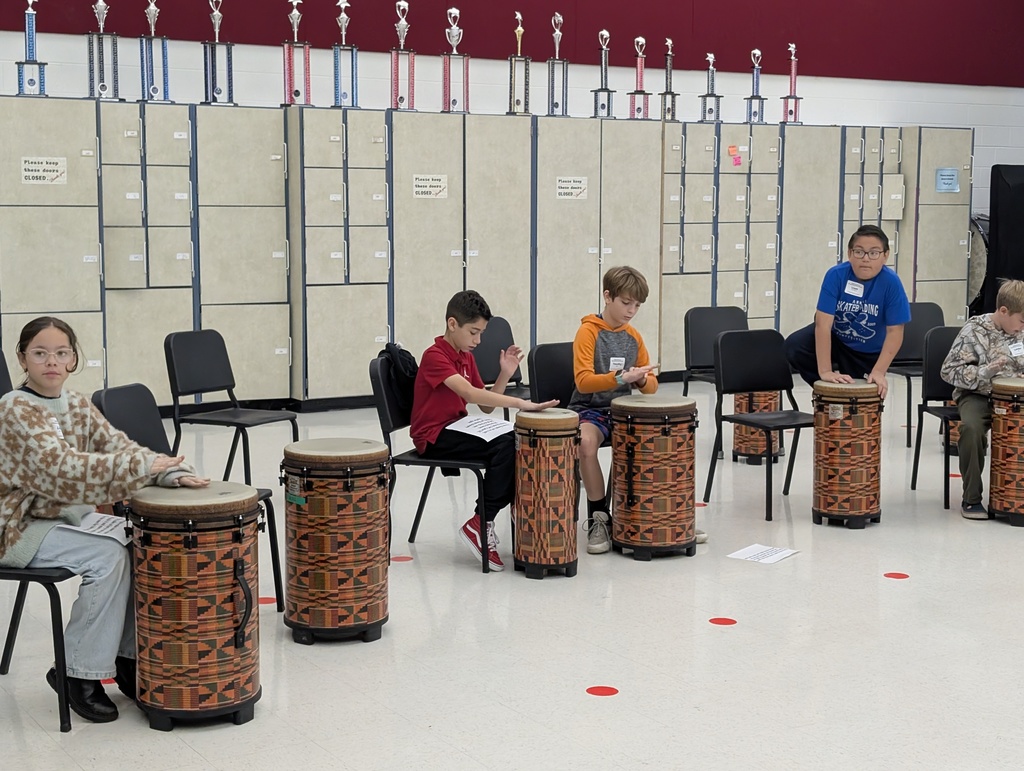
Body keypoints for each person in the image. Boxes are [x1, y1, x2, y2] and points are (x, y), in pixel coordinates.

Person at [0, 317, 209, 724]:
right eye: (39, 353)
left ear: (74, 358)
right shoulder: (14, 408)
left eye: (61, 353)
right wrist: (143, 466)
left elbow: (117, 447)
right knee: (108, 556)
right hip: (18, 528)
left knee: (142, 541)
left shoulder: (76, 405)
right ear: (22, 358)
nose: (51, 362)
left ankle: (126, 658)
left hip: (63, 520)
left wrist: (169, 472)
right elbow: (65, 468)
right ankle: (76, 672)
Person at [410, 291, 557, 571]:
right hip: (434, 436)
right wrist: (521, 403)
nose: (478, 341)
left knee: (516, 441)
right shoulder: (434, 356)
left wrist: (504, 373)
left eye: (481, 333)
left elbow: (486, 406)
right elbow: (470, 394)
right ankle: (481, 522)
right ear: (452, 324)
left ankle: (494, 518)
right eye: (473, 332)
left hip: (457, 428)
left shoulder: (464, 355)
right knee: (505, 446)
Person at [566, 266, 709, 555]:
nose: (631, 310)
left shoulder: (633, 336)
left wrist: (642, 378)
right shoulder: (588, 332)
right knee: (586, 444)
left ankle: (663, 519)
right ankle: (599, 517)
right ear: (608, 297)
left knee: (657, 442)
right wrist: (620, 378)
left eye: (637, 305)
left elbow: (651, 386)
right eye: (626, 303)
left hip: (622, 410)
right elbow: (583, 382)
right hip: (589, 409)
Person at [784, 224, 911, 399]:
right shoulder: (836, 275)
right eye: (859, 251)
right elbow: (823, 325)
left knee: (861, 399)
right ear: (850, 253)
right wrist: (826, 372)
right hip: (838, 339)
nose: (865, 258)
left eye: (874, 253)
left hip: (867, 351)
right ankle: (825, 392)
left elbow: (895, 332)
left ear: (885, 256)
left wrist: (879, 371)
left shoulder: (892, 283)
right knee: (795, 345)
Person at [940, 280, 1024, 519]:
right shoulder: (974, 330)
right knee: (971, 429)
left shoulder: (1021, 329)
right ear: (1003, 311)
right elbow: (948, 371)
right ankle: (972, 498)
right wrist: (982, 373)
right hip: (978, 395)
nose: (1021, 328)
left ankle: (1017, 495)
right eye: (1021, 321)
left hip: (1014, 398)